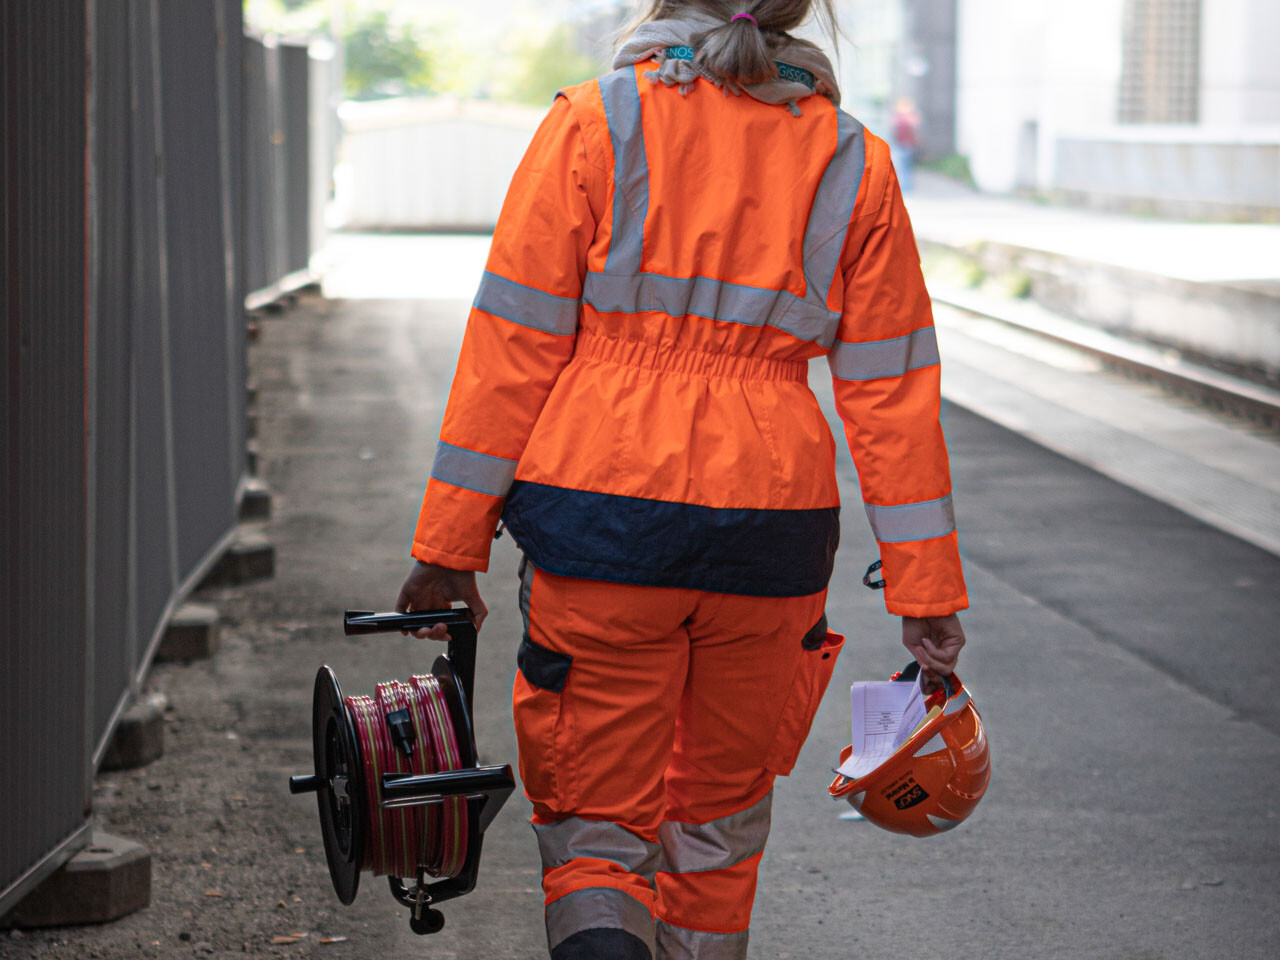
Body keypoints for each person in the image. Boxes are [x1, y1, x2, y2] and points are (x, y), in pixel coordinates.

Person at [395, 3, 968, 958]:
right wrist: (927, 587)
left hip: (605, 525)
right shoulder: (852, 160)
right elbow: (892, 394)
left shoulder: (594, 121)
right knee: (718, 824)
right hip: (772, 540)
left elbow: (512, 347)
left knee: (595, 828)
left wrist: (450, 547)